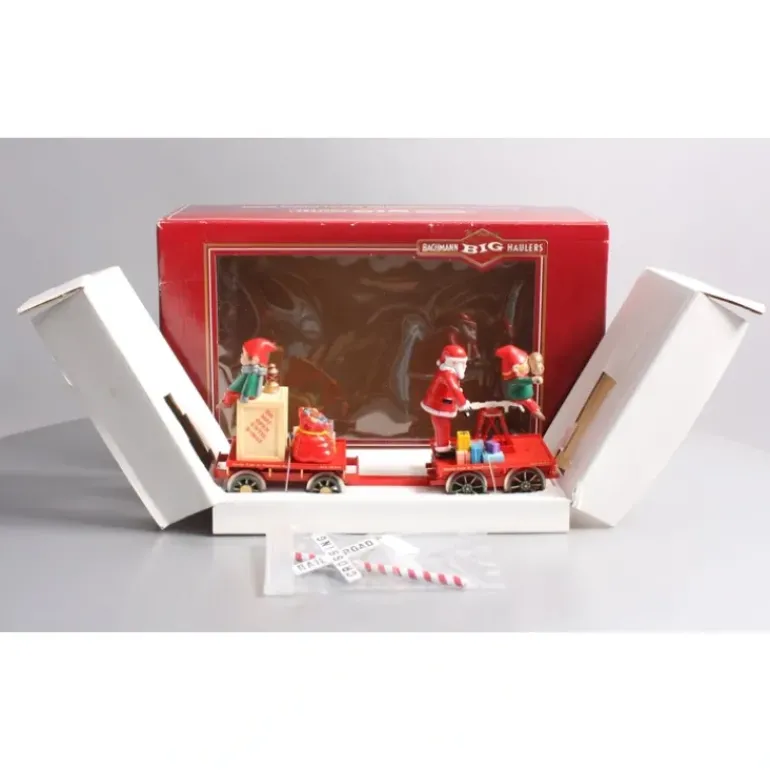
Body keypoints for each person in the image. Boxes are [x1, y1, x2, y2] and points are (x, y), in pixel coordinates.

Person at [420, 344, 471, 458]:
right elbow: (454, 389)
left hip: (441, 403)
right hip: (439, 405)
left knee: (442, 426)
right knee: (442, 426)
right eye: (462, 363)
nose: (464, 366)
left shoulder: (448, 372)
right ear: (453, 362)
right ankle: (442, 449)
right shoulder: (447, 374)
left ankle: (443, 446)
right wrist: (463, 403)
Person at [220, 337, 278, 407]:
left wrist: (243, 397)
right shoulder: (248, 370)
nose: (241, 355)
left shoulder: (252, 373)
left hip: (248, 396)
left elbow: (248, 387)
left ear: (254, 360)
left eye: (244, 354)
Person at [494, 344, 545, 420]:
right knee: (526, 397)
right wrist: (532, 380)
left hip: (520, 394)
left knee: (528, 400)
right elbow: (518, 381)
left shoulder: (523, 365)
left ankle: (535, 410)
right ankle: (535, 410)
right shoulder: (516, 373)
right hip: (514, 393)